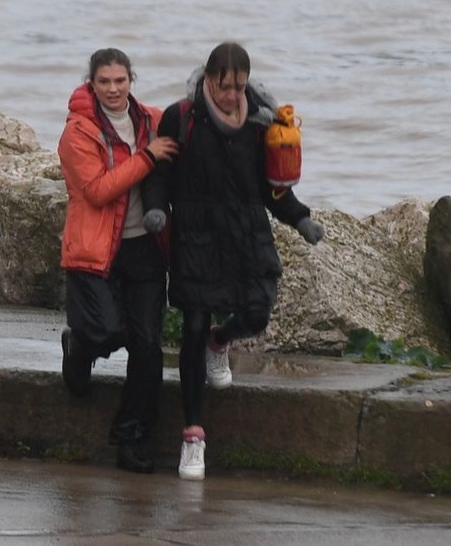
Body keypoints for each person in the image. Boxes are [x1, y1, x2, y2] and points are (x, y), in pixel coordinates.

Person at [142, 42, 324, 480]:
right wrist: (156, 209)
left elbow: (273, 188)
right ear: (208, 80)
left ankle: (220, 343)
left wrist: (300, 218)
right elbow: (159, 174)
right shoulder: (181, 117)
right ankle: (193, 436)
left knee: (258, 312)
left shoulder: (262, 122)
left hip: (247, 234)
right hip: (197, 239)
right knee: (192, 325)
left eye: (239, 87)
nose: (232, 95)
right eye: (225, 87)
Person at [57, 48, 178, 474]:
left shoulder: (151, 120)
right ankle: (79, 344)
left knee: (147, 346)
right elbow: (97, 191)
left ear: (132, 81)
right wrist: (147, 157)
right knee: (106, 330)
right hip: (94, 249)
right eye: (104, 82)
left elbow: (196, 119)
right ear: (91, 83)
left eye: (120, 81)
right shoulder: (78, 131)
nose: (112, 89)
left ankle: (131, 438)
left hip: (144, 246)